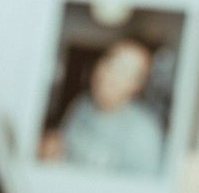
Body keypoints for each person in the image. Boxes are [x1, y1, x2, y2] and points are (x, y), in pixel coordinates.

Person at [40, 31, 168, 174]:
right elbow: (61, 150)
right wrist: (50, 149)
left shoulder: (144, 135)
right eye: (111, 62)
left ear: (137, 86)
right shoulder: (81, 104)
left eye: (126, 71)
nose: (111, 74)